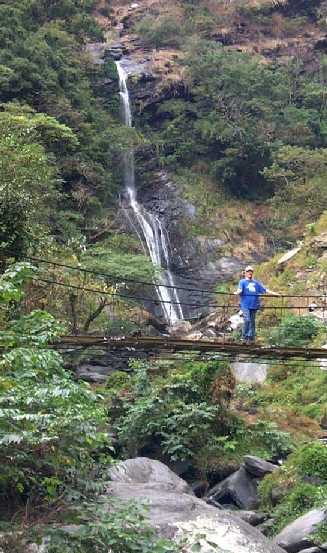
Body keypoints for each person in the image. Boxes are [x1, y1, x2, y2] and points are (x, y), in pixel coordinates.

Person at [234, 265, 279, 343]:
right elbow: (240, 289)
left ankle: (251, 338)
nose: (250, 273)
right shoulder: (242, 282)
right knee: (247, 320)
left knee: (252, 322)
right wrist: (236, 293)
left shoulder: (256, 283)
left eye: (251, 272)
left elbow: (265, 290)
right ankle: (244, 337)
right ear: (245, 273)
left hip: (254, 305)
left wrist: (275, 294)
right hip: (245, 305)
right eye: (248, 272)